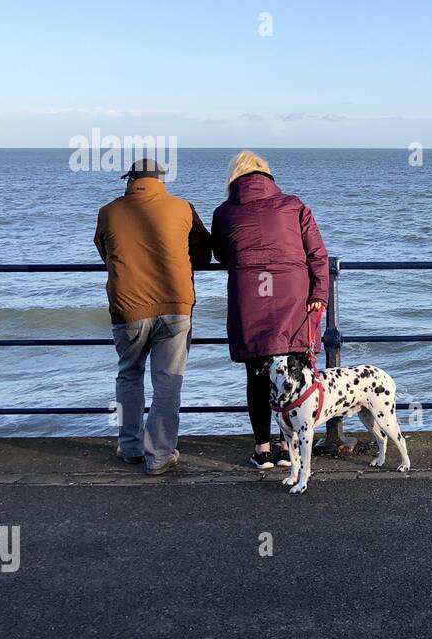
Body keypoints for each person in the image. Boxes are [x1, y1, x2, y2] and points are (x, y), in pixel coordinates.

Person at [210, 151, 329, 469]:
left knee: (257, 374)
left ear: (235, 178)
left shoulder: (224, 213)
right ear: (267, 176)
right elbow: (317, 254)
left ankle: (263, 451)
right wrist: (319, 294)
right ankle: (292, 446)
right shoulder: (293, 205)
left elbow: (221, 254)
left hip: (250, 295)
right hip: (292, 294)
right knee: (294, 370)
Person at [94, 157, 212, 475]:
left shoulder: (109, 211)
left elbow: (104, 252)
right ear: (162, 180)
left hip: (128, 307)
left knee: (128, 375)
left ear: (129, 180)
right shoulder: (183, 208)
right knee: (167, 382)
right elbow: (204, 255)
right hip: (176, 306)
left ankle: (130, 447)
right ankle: (159, 454)